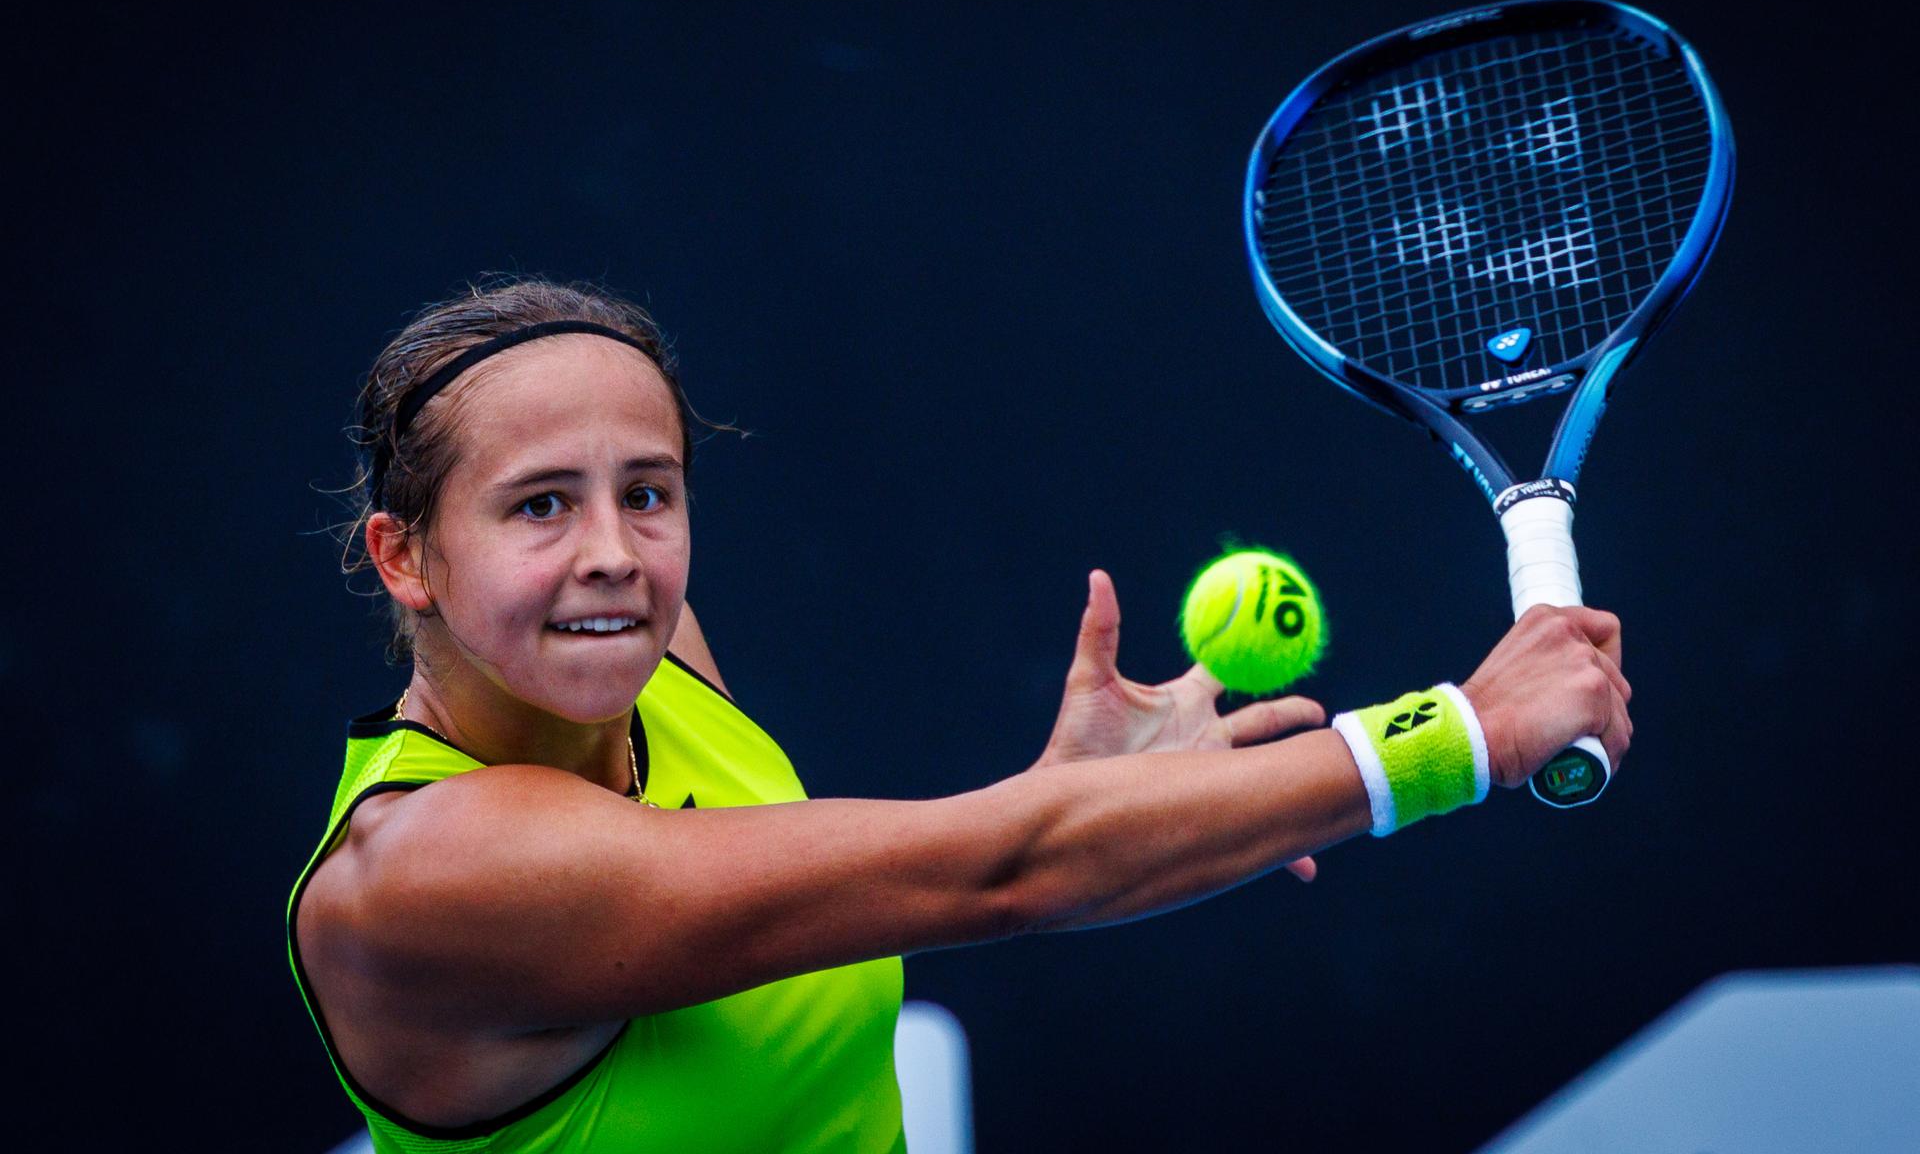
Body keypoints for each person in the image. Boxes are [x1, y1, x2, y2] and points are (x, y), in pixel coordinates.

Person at [288, 278, 1632, 1153]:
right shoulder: (428, 881)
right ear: (404, 555)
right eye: (540, 505)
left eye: (647, 492)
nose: (613, 556)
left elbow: (1011, 854)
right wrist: (1463, 732)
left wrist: (1080, 793)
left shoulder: (658, 663)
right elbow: (1005, 870)